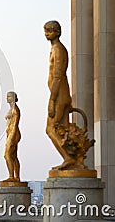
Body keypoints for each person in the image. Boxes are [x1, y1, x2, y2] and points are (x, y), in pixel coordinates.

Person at [44, 20, 75, 170]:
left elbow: (58, 75)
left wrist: (52, 100)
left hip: (59, 95)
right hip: (61, 94)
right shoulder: (56, 49)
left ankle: (68, 158)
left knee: (50, 129)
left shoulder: (58, 49)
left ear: (57, 32)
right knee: (63, 129)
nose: (46, 34)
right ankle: (73, 161)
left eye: (49, 31)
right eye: (45, 31)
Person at [4, 91, 21, 182]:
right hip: (10, 133)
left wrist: (12, 136)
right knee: (13, 156)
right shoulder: (12, 109)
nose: (7, 98)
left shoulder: (15, 109)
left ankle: (11, 176)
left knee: (7, 155)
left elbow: (15, 124)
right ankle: (16, 177)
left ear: (14, 98)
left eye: (9, 96)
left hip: (13, 133)